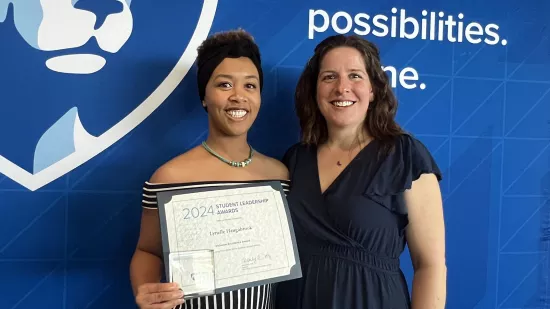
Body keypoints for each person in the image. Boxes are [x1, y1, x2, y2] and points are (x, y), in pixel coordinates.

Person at [274, 34, 447, 309]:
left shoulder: (405, 156)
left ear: (373, 90)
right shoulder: (295, 159)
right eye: (329, 77)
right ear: (315, 89)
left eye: (355, 76)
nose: (342, 88)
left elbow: (430, 266)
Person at [129, 29, 290, 309]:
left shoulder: (279, 176)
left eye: (250, 86)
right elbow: (147, 251)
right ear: (204, 96)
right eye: (224, 85)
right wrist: (147, 292)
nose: (238, 96)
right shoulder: (170, 177)